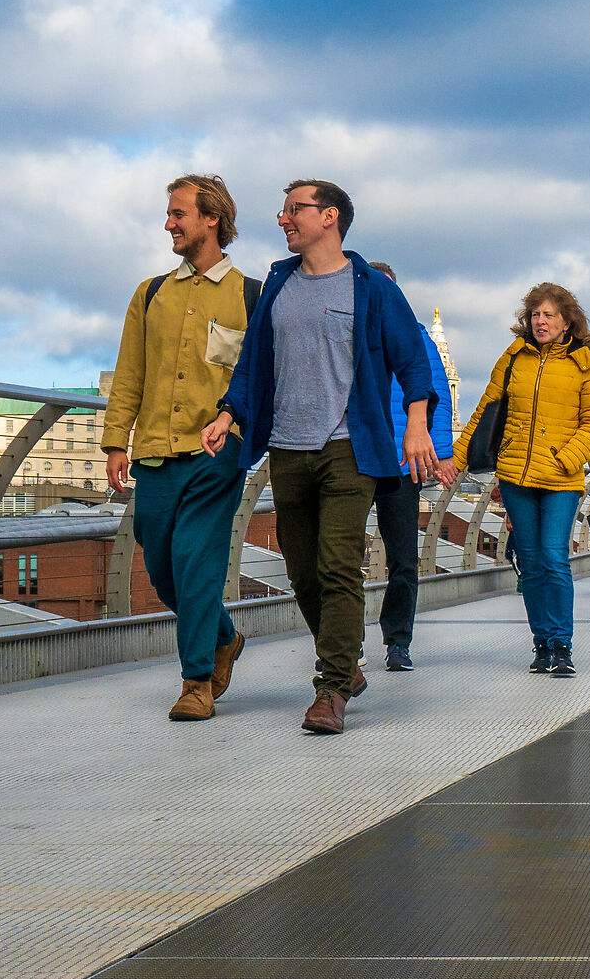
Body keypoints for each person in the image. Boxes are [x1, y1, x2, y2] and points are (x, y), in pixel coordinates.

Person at [204, 179, 439, 734]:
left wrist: (416, 425)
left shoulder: (371, 288)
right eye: (284, 211)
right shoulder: (280, 283)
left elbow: (413, 361)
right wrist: (228, 413)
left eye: (294, 210)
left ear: (329, 216)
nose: (282, 219)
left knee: (337, 565)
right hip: (287, 446)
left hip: (348, 448)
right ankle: (347, 664)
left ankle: (331, 687)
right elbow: (253, 365)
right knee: (303, 570)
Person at [101, 174, 259, 723]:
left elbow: (258, 378)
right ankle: (223, 637)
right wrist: (115, 441)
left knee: (195, 561)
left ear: (210, 219)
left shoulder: (251, 295)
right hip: (152, 453)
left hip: (217, 451)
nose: (168, 223)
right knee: (164, 565)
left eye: (178, 214)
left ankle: (196, 682)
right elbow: (130, 374)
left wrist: (233, 423)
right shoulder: (150, 294)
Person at [458, 283, 590, 676]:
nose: (540, 322)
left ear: (566, 322)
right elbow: (485, 413)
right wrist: (454, 461)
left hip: (560, 477)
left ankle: (561, 643)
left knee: (554, 557)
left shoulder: (585, 363)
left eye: (548, 315)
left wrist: (569, 458)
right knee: (530, 562)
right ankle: (541, 641)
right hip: (516, 475)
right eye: (535, 315)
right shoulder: (513, 357)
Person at [364, 262, 457, 673]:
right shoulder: (352, 334)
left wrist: (440, 453)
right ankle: (346, 642)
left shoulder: (419, 340)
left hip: (402, 462)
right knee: (341, 554)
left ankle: (397, 640)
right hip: (357, 455)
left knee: (403, 555)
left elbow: (436, 396)